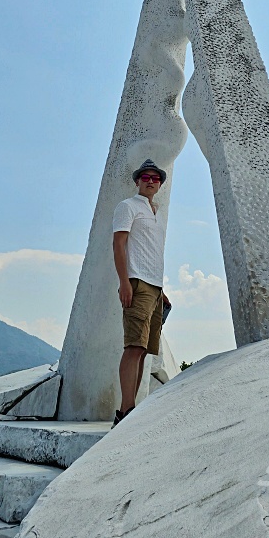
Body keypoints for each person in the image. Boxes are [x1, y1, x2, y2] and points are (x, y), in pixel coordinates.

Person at [111, 158, 171, 427]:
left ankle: (130, 408)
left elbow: (149, 251)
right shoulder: (128, 206)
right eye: (145, 177)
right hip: (136, 282)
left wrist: (161, 289)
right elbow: (119, 244)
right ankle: (125, 410)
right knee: (133, 347)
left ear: (159, 184)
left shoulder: (155, 211)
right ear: (137, 181)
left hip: (154, 287)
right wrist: (124, 282)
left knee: (144, 350)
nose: (150, 181)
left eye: (155, 178)